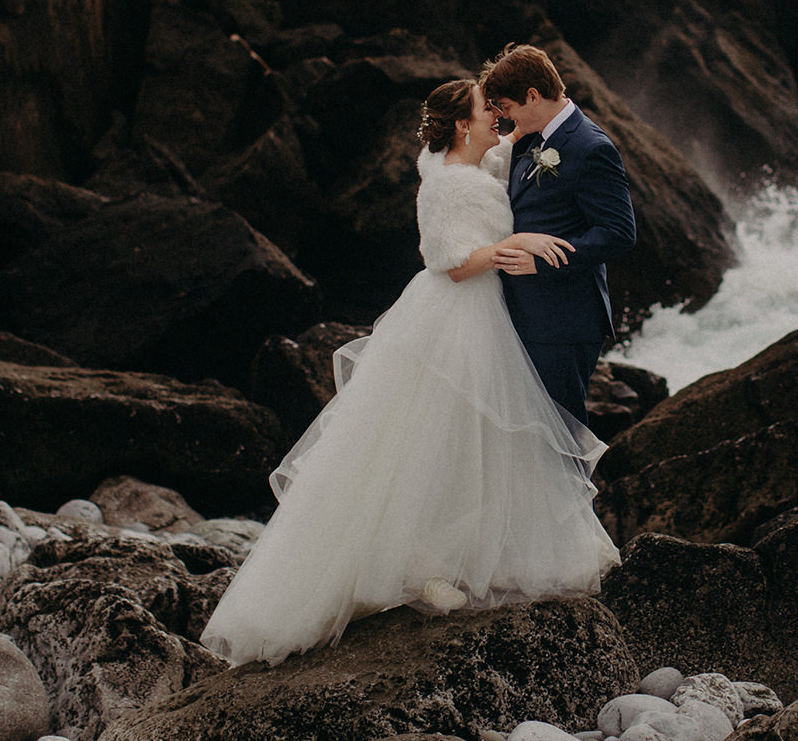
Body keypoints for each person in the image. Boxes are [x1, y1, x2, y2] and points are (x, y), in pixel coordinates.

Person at [198, 78, 620, 667]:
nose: (495, 115)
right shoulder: (445, 184)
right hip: (455, 316)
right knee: (430, 442)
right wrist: (512, 244)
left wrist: (540, 121)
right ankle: (416, 564)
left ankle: (462, 554)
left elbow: (522, 144)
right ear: (461, 125)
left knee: (479, 441)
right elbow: (447, 262)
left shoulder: (481, 156)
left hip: (487, 316)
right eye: (484, 109)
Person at [481, 44, 638, 426]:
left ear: (532, 96)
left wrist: (543, 261)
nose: (505, 117)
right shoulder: (531, 137)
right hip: (526, 316)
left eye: (507, 107)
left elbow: (619, 232)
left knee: (561, 440)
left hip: (563, 323)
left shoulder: (591, 148)